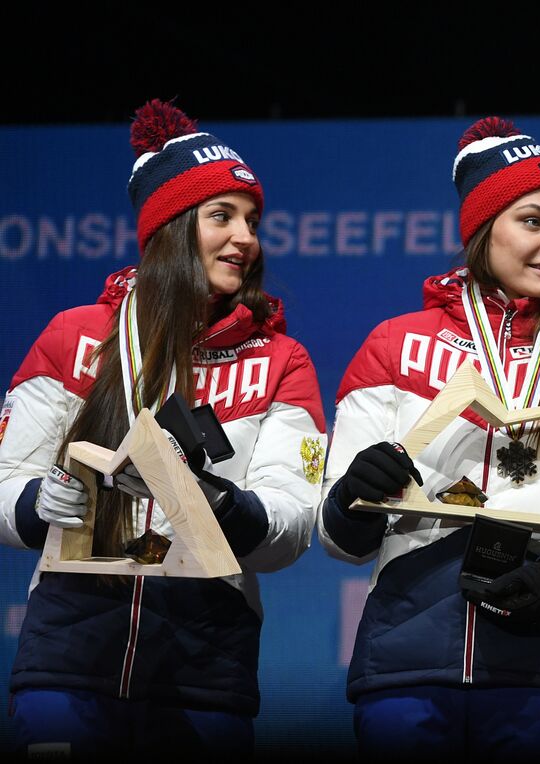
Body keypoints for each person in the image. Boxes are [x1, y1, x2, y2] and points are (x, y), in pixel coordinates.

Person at [317, 116, 540, 759]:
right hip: (405, 667)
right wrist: (351, 495)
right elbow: (340, 539)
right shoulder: (394, 344)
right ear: (483, 230)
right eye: (533, 221)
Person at [0, 100, 326, 756]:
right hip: (69, 652)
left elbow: (293, 520)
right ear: (171, 229)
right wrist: (37, 506)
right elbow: (5, 480)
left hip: (204, 662)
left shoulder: (280, 360)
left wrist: (224, 505)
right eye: (222, 217)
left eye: (252, 221)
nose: (246, 238)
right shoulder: (75, 336)